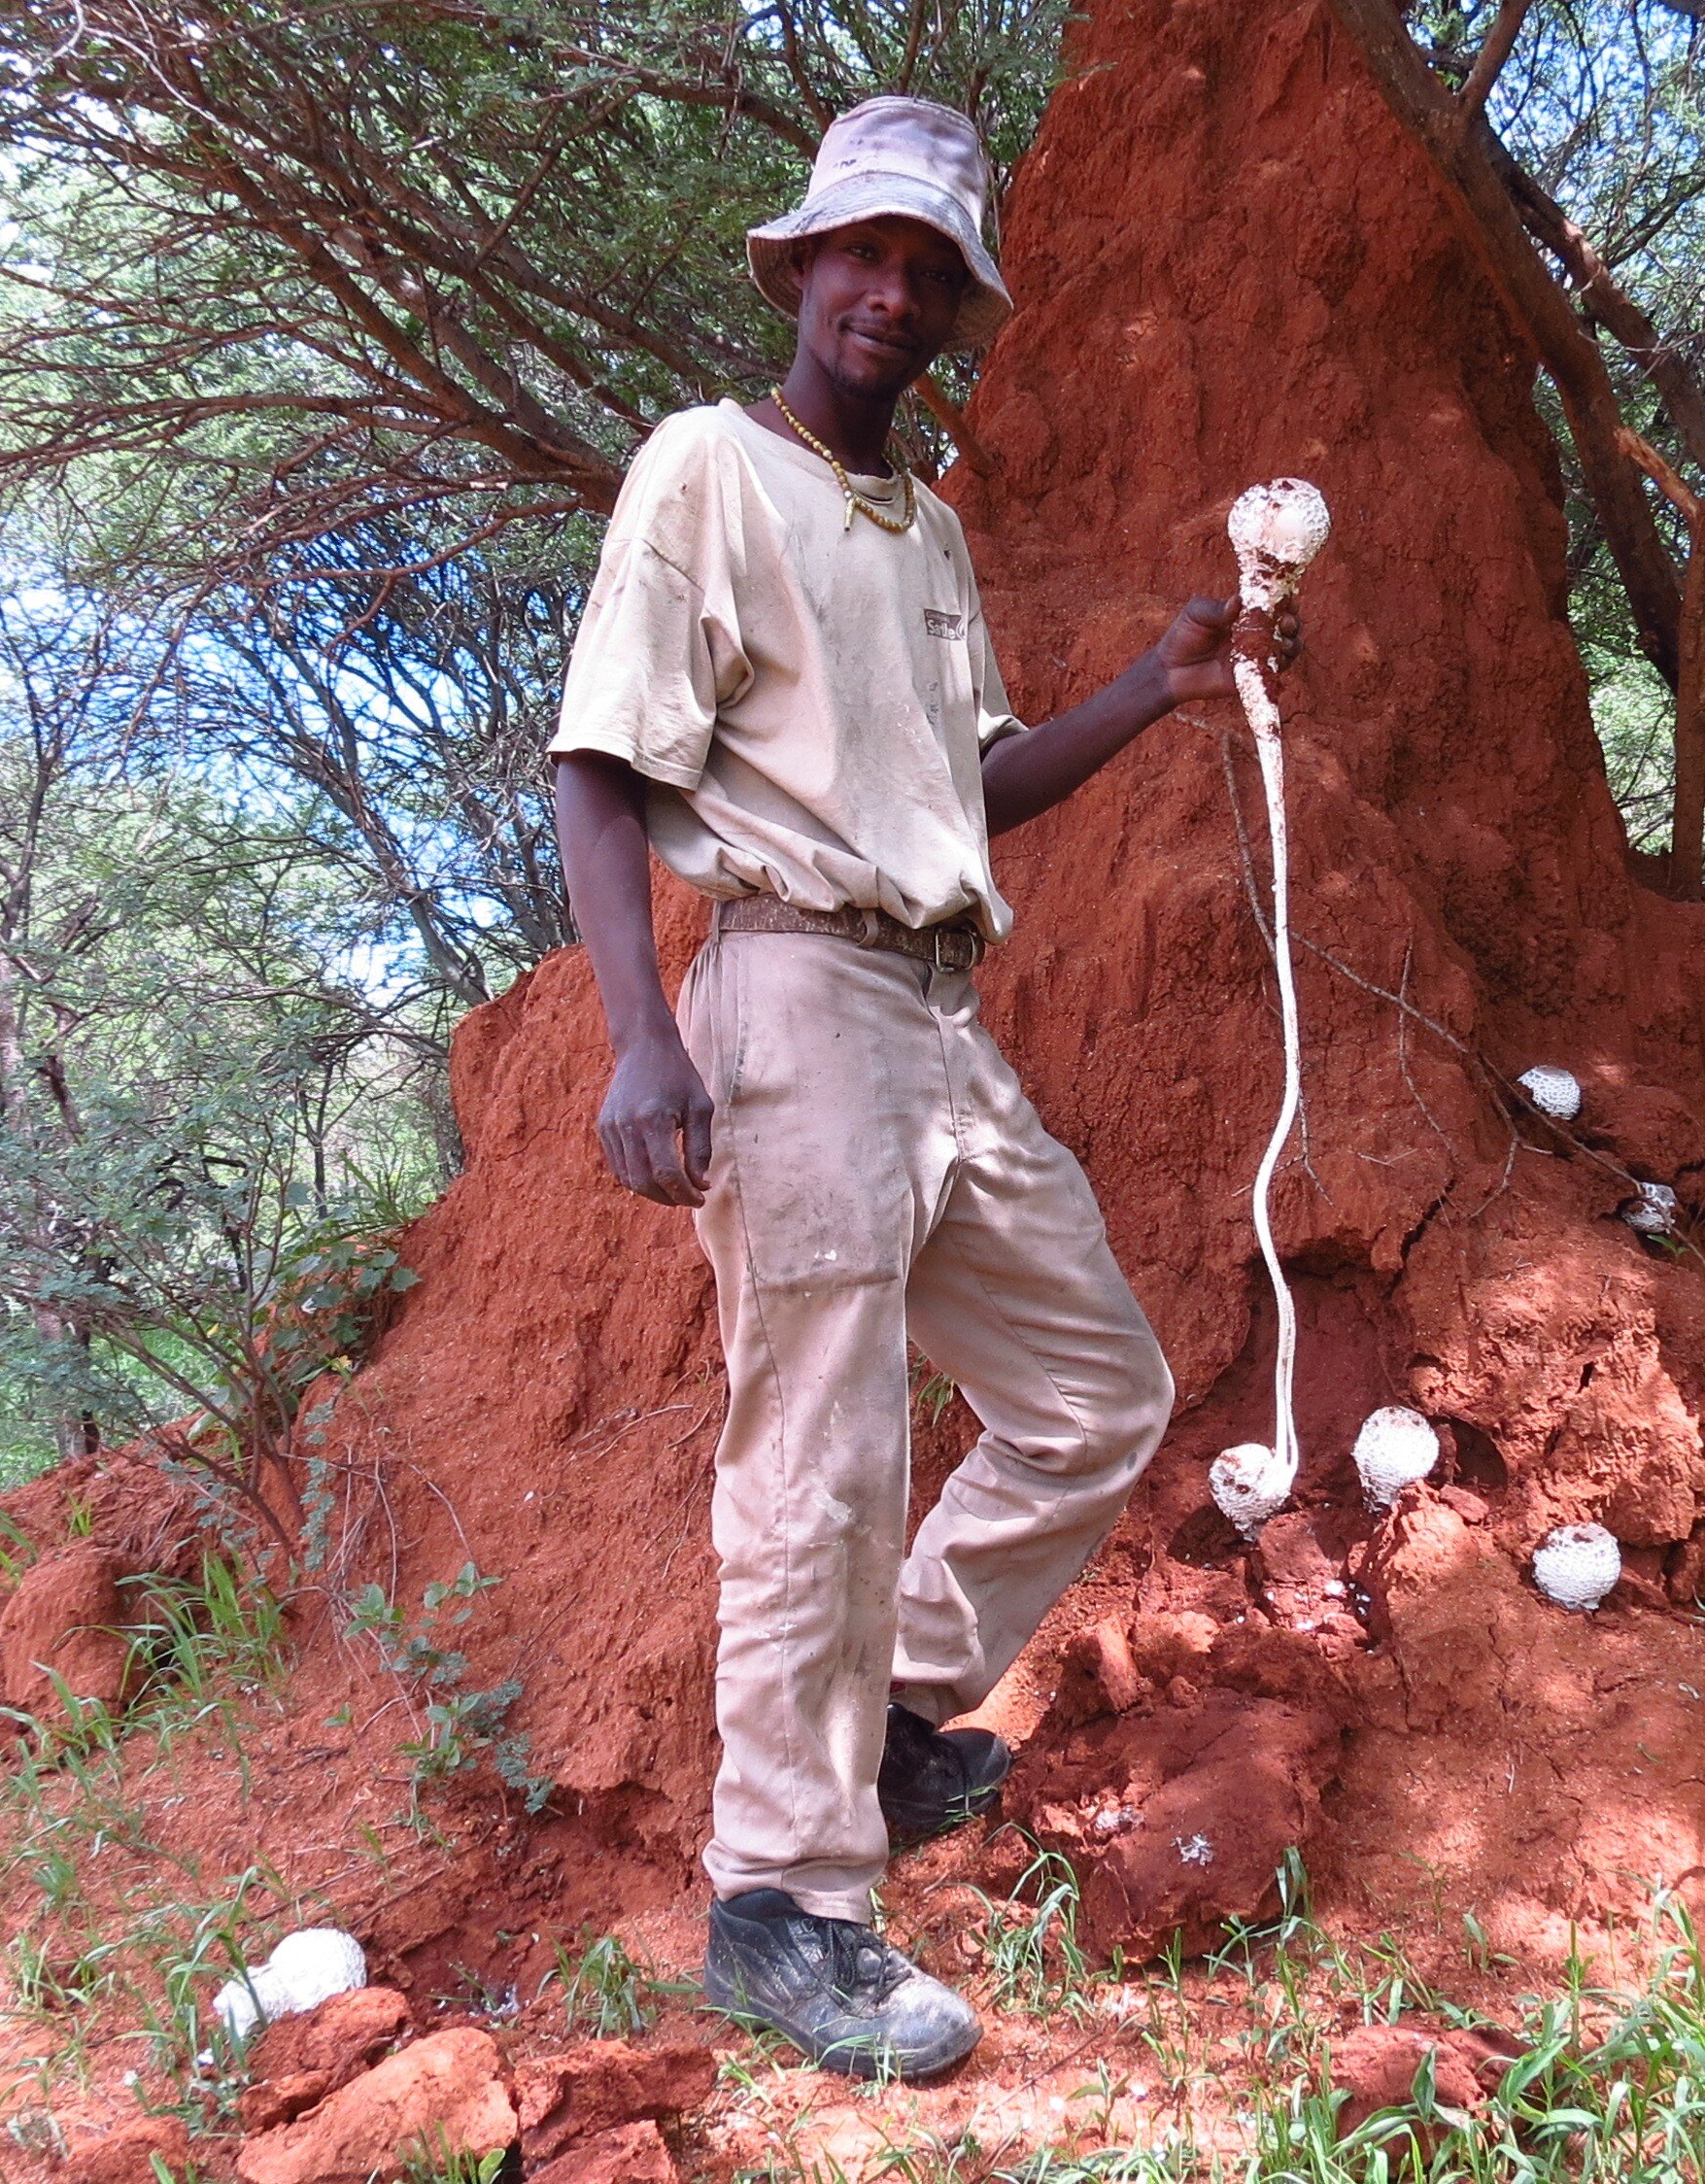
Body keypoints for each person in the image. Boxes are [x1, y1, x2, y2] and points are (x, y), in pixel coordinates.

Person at [545, 94, 1297, 2081]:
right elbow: (598, 763)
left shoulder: (928, 529)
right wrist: (642, 1031)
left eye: (926, 269)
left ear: (954, 309)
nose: (888, 293)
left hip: (938, 1018)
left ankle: (880, 1718)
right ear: (797, 269)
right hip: (786, 993)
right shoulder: (709, 468)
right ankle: (783, 1898)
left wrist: (1144, 690)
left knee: (1094, 1386)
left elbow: (959, 789)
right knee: (822, 1451)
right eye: (860, 255)